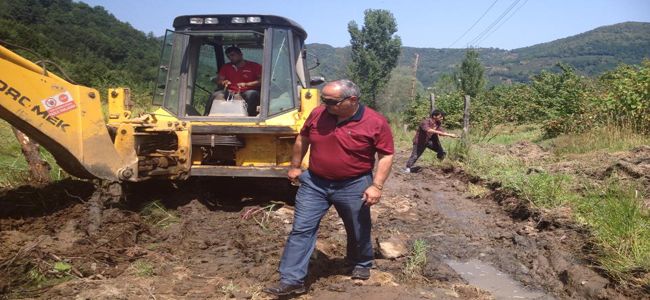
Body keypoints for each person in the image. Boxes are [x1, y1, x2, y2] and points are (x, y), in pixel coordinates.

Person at [263, 79, 395, 296]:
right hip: (315, 182)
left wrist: (377, 186)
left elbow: (386, 154)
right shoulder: (318, 114)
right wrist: (295, 166)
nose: (325, 104)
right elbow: (302, 138)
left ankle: (360, 262)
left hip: (354, 183)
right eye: (323, 99)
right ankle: (292, 280)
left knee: (357, 226)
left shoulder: (375, 122)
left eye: (331, 101)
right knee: (301, 229)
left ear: (352, 100)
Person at [212, 46, 262, 116]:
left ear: (241, 54)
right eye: (228, 56)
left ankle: (247, 116)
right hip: (230, 92)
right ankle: (206, 115)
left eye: (233, 55)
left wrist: (247, 84)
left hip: (247, 91)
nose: (231, 58)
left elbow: (262, 81)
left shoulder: (255, 66)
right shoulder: (226, 67)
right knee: (216, 94)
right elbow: (219, 80)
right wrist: (223, 82)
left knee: (251, 94)